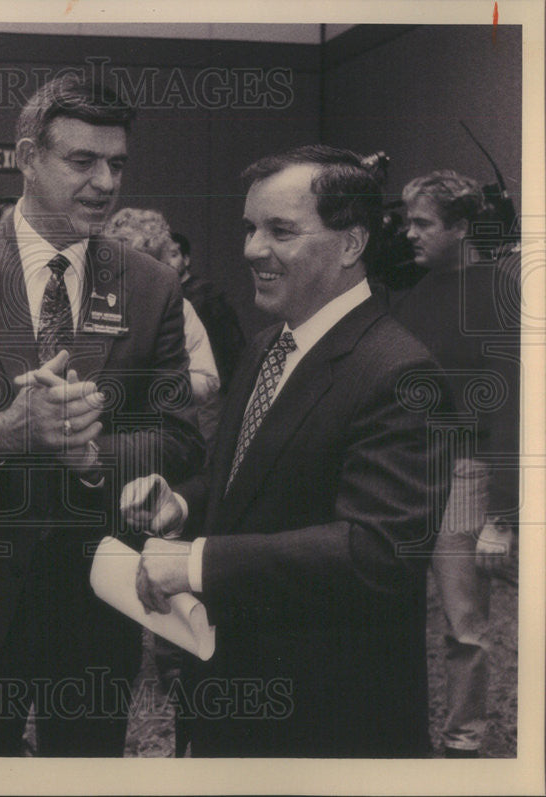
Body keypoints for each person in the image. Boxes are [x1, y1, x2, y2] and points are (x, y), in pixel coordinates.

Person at [0, 74, 204, 756]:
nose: (105, 182)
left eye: (117, 163)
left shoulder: (149, 286)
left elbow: (179, 437)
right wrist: (4, 432)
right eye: (82, 161)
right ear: (27, 157)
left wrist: (92, 457)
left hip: (95, 601)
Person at [122, 145, 452, 757]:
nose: (251, 248)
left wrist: (195, 563)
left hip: (328, 720)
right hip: (237, 699)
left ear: (351, 245)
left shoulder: (401, 371)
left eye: (280, 230)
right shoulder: (268, 345)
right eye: (250, 228)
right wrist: (183, 504)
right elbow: (242, 474)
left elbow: (376, 552)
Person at [390, 170, 520, 758]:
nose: (409, 234)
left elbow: (513, 400)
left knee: (464, 623)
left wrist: (502, 515)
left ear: (461, 227)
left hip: (466, 474)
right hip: (412, 469)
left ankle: (463, 742)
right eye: (407, 221)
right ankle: (401, 731)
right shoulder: (415, 292)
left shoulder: (498, 289)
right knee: (393, 611)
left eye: (422, 224)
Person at [103, 207, 222, 451]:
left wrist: (158, 380)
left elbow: (208, 381)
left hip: (153, 439)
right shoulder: (96, 298)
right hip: (96, 438)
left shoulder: (178, 306)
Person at [168, 231, 246, 392]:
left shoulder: (207, 295)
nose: (168, 262)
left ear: (187, 259)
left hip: (209, 387)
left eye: (174, 255)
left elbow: (232, 343)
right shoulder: (164, 295)